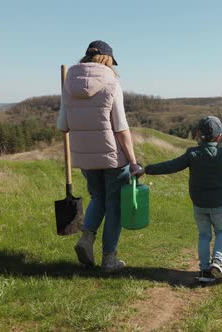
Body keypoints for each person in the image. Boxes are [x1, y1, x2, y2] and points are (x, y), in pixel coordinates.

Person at [57, 40, 143, 273]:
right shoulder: (112, 83)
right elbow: (121, 128)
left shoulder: (68, 84)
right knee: (114, 205)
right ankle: (109, 259)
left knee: (97, 198)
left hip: (84, 156)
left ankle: (86, 238)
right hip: (113, 157)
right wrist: (133, 162)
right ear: (107, 60)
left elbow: (63, 126)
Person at [144, 116, 222, 282]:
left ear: (198, 135)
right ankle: (217, 261)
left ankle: (204, 270)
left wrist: (146, 169)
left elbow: (170, 166)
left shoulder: (192, 154)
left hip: (199, 204)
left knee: (204, 235)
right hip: (218, 204)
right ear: (219, 136)